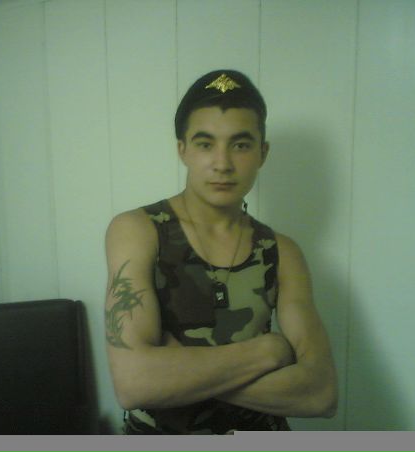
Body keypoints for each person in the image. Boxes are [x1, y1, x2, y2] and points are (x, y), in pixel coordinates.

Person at [104, 69, 337, 434]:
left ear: (262, 153)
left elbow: (320, 393)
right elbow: (133, 384)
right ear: (182, 149)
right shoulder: (139, 230)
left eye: (240, 145)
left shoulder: (281, 252)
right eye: (205, 144)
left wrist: (179, 369)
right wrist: (268, 352)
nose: (222, 163)